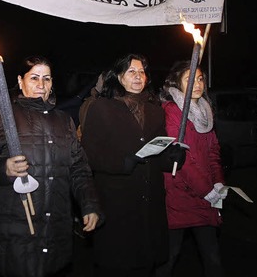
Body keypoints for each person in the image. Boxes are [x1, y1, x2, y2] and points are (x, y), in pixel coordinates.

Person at [0, 55, 101, 277]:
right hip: (16, 227)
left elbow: (79, 168)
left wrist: (89, 204)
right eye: (34, 78)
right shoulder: (1, 118)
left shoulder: (64, 121)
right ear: (21, 81)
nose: (41, 85)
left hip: (55, 226)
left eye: (47, 79)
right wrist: (3, 169)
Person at [80, 53, 186, 277]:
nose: (138, 77)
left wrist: (172, 157)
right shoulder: (101, 108)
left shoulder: (155, 109)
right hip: (118, 202)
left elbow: (158, 151)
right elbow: (88, 153)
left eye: (142, 72)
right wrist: (121, 162)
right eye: (131, 72)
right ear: (119, 77)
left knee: (147, 263)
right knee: (120, 264)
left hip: (149, 203)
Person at [155, 61, 224, 277]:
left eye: (200, 78)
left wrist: (219, 182)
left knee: (212, 256)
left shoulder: (205, 111)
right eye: (190, 79)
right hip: (180, 194)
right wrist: (207, 190)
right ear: (177, 83)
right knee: (169, 256)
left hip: (206, 196)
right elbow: (181, 158)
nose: (197, 83)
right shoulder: (172, 111)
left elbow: (213, 150)